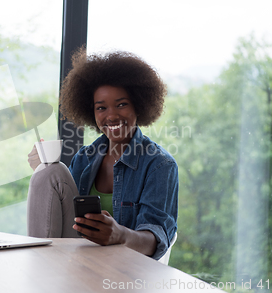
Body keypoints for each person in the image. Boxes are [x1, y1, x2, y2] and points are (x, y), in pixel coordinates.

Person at [27, 48, 178, 260]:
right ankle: (40, 269)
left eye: (122, 105)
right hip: (76, 260)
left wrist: (120, 235)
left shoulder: (159, 165)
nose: (112, 116)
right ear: (91, 112)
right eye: (101, 108)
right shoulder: (85, 157)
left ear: (139, 105)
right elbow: (60, 216)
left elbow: (157, 240)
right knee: (50, 171)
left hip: (125, 271)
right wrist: (43, 169)